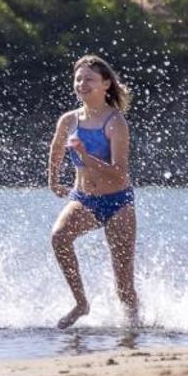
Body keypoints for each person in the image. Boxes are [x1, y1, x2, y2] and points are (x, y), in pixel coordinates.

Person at [46, 55, 141, 329]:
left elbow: (120, 172)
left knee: (124, 285)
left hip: (118, 203)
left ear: (106, 84)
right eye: (78, 79)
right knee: (59, 237)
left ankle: (133, 331)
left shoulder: (115, 122)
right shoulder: (69, 120)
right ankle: (81, 303)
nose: (81, 84)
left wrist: (86, 157)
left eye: (89, 79)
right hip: (84, 200)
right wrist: (53, 179)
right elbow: (55, 148)